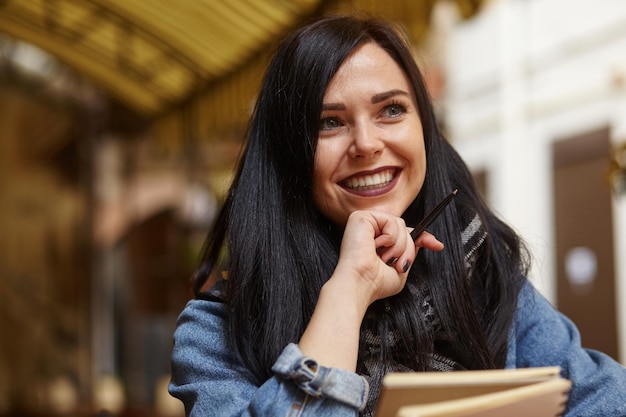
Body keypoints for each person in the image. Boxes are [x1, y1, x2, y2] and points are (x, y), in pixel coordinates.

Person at [169, 14, 626, 417]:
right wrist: (350, 291)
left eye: (391, 110)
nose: (366, 144)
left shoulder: (482, 274)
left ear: (424, 127)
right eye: (329, 122)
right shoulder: (216, 331)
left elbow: (603, 398)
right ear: (288, 155)